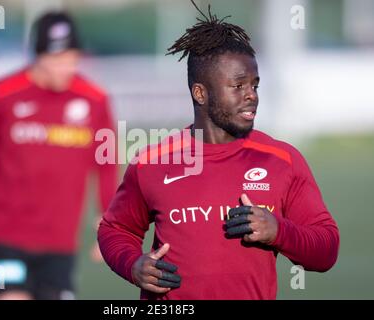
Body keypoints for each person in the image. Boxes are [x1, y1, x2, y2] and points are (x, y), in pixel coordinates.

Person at [98, 2, 339, 300]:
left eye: (255, 84)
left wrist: (279, 231)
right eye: (238, 86)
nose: (251, 95)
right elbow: (115, 229)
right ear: (201, 93)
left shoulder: (283, 160)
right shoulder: (151, 162)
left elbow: (326, 249)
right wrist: (133, 265)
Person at [0, 12, 117, 300]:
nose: (66, 67)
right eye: (57, 59)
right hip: (3, 239)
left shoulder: (94, 100)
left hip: (59, 245)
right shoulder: (0, 95)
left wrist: (109, 221)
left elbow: (106, 163)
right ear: (37, 55)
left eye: (72, 58)